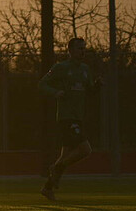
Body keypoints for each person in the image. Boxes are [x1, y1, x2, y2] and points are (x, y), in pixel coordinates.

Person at [38, 37, 103, 201]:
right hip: (66, 117)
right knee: (85, 149)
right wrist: (55, 92)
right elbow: (42, 84)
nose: (83, 51)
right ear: (70, 51)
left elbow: (89, 91)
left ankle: (47, 188)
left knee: (65, 154)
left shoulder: (85, 69)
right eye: (79, 48)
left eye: (84, 48)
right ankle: (56, 167)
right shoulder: (61, 67)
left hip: (78, 117)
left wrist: (97, 86)